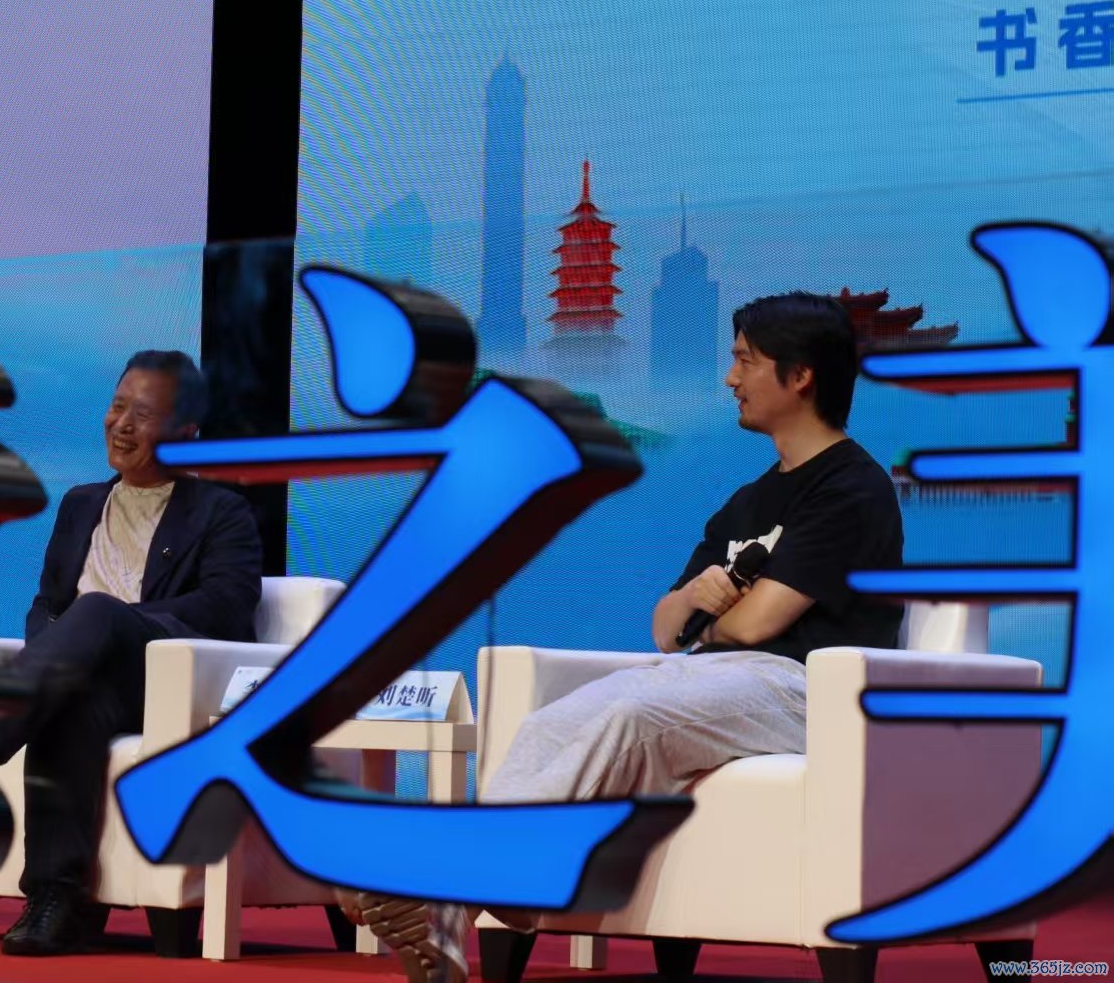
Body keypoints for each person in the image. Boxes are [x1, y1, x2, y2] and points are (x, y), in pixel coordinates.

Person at [347, 292, 904, 983]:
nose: (730, 378)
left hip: (805, 692)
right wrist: (696, 602)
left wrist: (713, 615)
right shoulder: (749, 500)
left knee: (634, 715)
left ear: (801, 376)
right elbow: (668, 628)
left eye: (745, 361)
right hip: (716, 677)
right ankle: (461, 907)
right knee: (551, 723)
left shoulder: (851, 488)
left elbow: (760, 625)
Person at [0, 350, 263, 956]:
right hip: (86, 681)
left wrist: (113, 622)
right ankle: (54, 900)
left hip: (161, 681)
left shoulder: (222, 511)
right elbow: (45, 604)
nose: (122, 425)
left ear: (187, 431)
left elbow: (228, 607)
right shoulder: (81, 503)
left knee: (98, 611)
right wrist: (56, 656)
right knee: (71, 697)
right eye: (117, 407)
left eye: (144, 414)